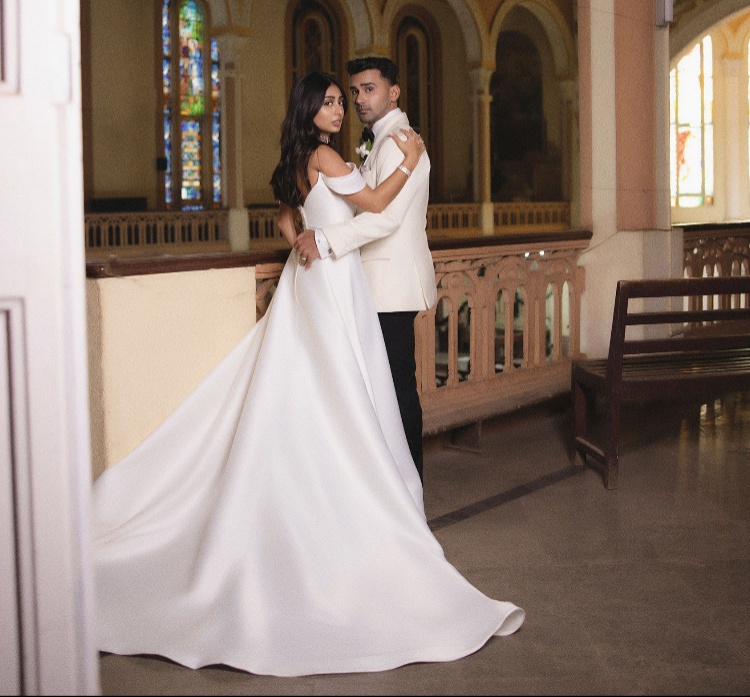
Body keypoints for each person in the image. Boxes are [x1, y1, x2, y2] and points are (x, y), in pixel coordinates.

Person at [91, 71, 524, 678]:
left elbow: (283, 222)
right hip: (335, 281)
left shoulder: (298, 159)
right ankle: (354, 502)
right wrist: (409, 164)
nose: (339, 110)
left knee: (311, 384)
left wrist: (304, 241)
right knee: (343, 385)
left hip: (311, 279)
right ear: (309, 110)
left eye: (342, 101)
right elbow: (375, 206)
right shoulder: (325, 155)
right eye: (328, 103)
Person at [295, 56, 435, 480]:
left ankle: (409, 491)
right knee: (377, 395)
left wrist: (325, 239)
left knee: (397, 391)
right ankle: (386, 486)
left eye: (368, 89)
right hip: (371, 284)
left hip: (390, 284)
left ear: (394, 92)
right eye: (354, 91)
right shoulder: (381, 141)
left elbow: (385, 219)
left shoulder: (400, 143)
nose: (358, 99)